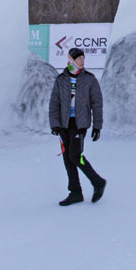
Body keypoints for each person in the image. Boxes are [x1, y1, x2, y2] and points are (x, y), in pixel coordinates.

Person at [49, 47, 106, 206]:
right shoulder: (61, 79)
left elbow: (97, 103)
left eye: (83, 58)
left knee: (76, 155)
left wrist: (97, 126)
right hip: (64, 124)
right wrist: (55, 123)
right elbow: (54, 103)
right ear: (71, 60)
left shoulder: (89, 79)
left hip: (80, 124)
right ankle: (75, 192)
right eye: (78, 58)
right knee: (68, 159)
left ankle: (98, 182)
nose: (82, 61)